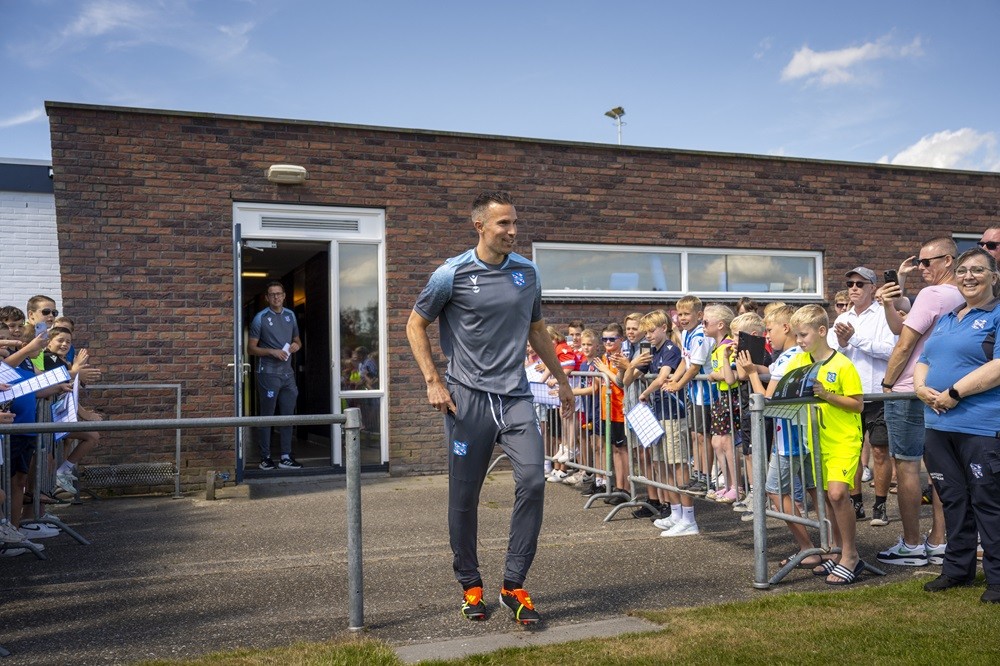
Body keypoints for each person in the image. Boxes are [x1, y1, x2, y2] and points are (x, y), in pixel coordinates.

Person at [406, 191, 573, 625]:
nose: (512, 232)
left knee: (534, 481)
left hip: (516, 396)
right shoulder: (451, 273)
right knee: (464, 496)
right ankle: (470, 584)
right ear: (479, 225)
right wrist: (433, 382)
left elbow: (537, 330)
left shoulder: (527, 273)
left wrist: (562, 378)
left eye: (515, 223)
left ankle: (513, 584)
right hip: (468, 400)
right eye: (503, 224)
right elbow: (415, 323)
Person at [915, 247, 1000, 603]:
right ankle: (957, 569)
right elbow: (925, 358)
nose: (968, 276)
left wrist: (954, 392)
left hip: (980, 425)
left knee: (988, 501)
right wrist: (921, 388)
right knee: (952, 499)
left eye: (978, 270)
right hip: (938, 425)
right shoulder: (949, 316)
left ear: (994, 277)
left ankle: (997, 579)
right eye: (963, 270)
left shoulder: (996, 314)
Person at [876, 238, 963, 568]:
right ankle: (940, 540)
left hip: (909, 389)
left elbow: (903, 346)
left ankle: (912, 544)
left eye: (928, 263)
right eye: (920, 263)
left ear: (949, 261)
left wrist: (886, 384)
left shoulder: (933, 295)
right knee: (940, 467)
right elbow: (903, 328)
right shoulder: (960, 296)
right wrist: (889, 304)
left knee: (908, 466)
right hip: (940, 390)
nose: (922, 269)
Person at [785, 305, 866, 584]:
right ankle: (836, 551)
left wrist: (828, 395)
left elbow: (857, 404)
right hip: (815, 441)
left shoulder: (843, 364)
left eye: (803, 335)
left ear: (822, 331)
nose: (799, 341)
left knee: (837, 494)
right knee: (826, 500)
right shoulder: (799, 362)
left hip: (843, 439)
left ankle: (851, 556)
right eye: (796, 335)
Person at [833, 267, 895, 523]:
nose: (854, 288)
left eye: (860, 283)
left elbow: (891, 350)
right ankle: (856, 502)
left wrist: (855, 340)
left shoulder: (883, 315)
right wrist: (844, 343)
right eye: (850, 284)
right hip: (850, 396)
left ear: (872, 287)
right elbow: (833, 354)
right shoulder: (841, 319)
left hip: (876, 394)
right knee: (852, 452)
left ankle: (880, 505)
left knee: (880, 451)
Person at [247, 281, 303, 471]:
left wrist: (296, 346)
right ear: (267, 298)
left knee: (288, 416)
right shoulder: (260, 318)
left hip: (288, 374)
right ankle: (265, 457)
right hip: (268, 374)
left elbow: (297, 341)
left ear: (284, 295)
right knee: (268, 416)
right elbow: (251, 348)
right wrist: (272, 352)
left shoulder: (291, 316)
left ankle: (286, 457)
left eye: (279, 294)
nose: (276, 297)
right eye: (272, 294)